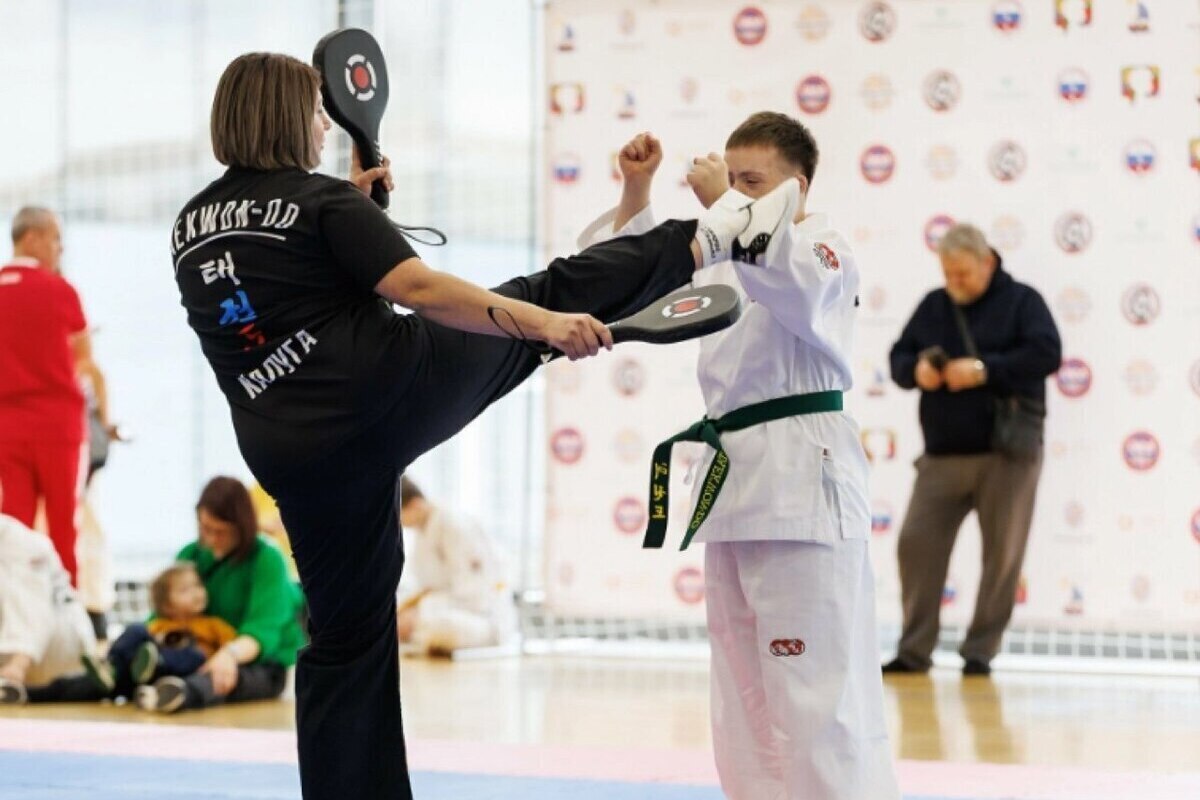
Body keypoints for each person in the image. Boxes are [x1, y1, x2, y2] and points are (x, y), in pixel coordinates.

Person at [173, 53, 791, 800]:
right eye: (312, 113)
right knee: (545, 291)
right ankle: (712, 236)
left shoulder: (191, 225)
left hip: (289, 453)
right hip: (380, 394)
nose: (323, 128)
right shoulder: (321, 203)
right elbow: (420, 288)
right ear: (282, 116)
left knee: (345, 637)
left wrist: (353, 211)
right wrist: (543, 325)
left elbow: (279, 290)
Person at [580, 117, 899, 799]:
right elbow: (631, 283)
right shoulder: (725, 257)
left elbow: (791, 280)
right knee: (743, 703)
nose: (734, 194)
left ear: (798, 188)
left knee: (816, 699)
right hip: (733, 483)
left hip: (802, 482)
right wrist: (637, 191)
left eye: (751, 182)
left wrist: (726, 202)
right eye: (731, 179)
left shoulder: (824, 250)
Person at [885, 223, 1061, 676]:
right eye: (947, 273)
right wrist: (917, 371)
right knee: (915, 545)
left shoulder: (1023, 301)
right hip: (942, 455)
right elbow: (899, 358)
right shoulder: (934, 305)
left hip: (1007, 455)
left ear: (987, 262)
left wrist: (984, 370)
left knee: (1002, 556)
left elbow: (1046, 353)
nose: (954, 282)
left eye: (962, 273)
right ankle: (914, 650)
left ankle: (980, 652)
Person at [19, 476, 305, 712]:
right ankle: (33, 693)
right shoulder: (193, 554)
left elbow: (263, 631)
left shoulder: (266, 558)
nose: (212, 539)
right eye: (206, 529)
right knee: (119, 674)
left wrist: (229, 655)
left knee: (218, 678)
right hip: (188, 648)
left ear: (242, 528)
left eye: (221, 532)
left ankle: (176, 693)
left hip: (252, 661)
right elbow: (161, 612)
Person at [0, 206, 103, 586]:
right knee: (64, 528)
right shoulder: (60, 290)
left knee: (14, 529)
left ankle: (14, 611)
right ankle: (65, 609)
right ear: (33, 238)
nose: (60, 248)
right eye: (56, 238)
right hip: (58, 426)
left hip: (7, 427)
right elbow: (84, 358)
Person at [79, 561, 237, 710]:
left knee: (195, 654)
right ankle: (111, 668)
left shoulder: (212, 625)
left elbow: (231, 644)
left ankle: (154, 665)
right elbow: (145, 640)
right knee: (136, 629)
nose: (196, 593)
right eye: (184, 590)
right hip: (153, 659)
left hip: (184, 668)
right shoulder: (159, 625)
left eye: (198, 585)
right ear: (167, 606)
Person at [0, 479, 97, 705]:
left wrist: (17, 666)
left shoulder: (22, 543)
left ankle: (13, 677)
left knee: (20, 591)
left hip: (60, 650)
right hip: (12, 648)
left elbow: (32, 609)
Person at [395, 476, 516, 655]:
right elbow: (429, 586)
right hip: (443, 608)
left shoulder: (454, 524)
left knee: (440, 628)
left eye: (400, 516)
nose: (400, 523)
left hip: (481, 617)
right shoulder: (423, 531)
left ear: (415, 505)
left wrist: (421, 612)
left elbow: (475, 591)